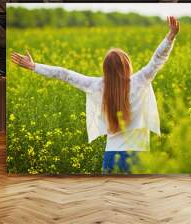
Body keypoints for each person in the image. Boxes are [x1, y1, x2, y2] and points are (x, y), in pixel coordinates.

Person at [11, 16, 180, 174]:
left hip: (111, 157)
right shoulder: (140, 80)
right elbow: (158, 59)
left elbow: (64, 74)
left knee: (110, 204)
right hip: (138, 156)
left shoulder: (96, 86)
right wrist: (170, 36)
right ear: (127, 66)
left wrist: (34, 66)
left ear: (105, 69)